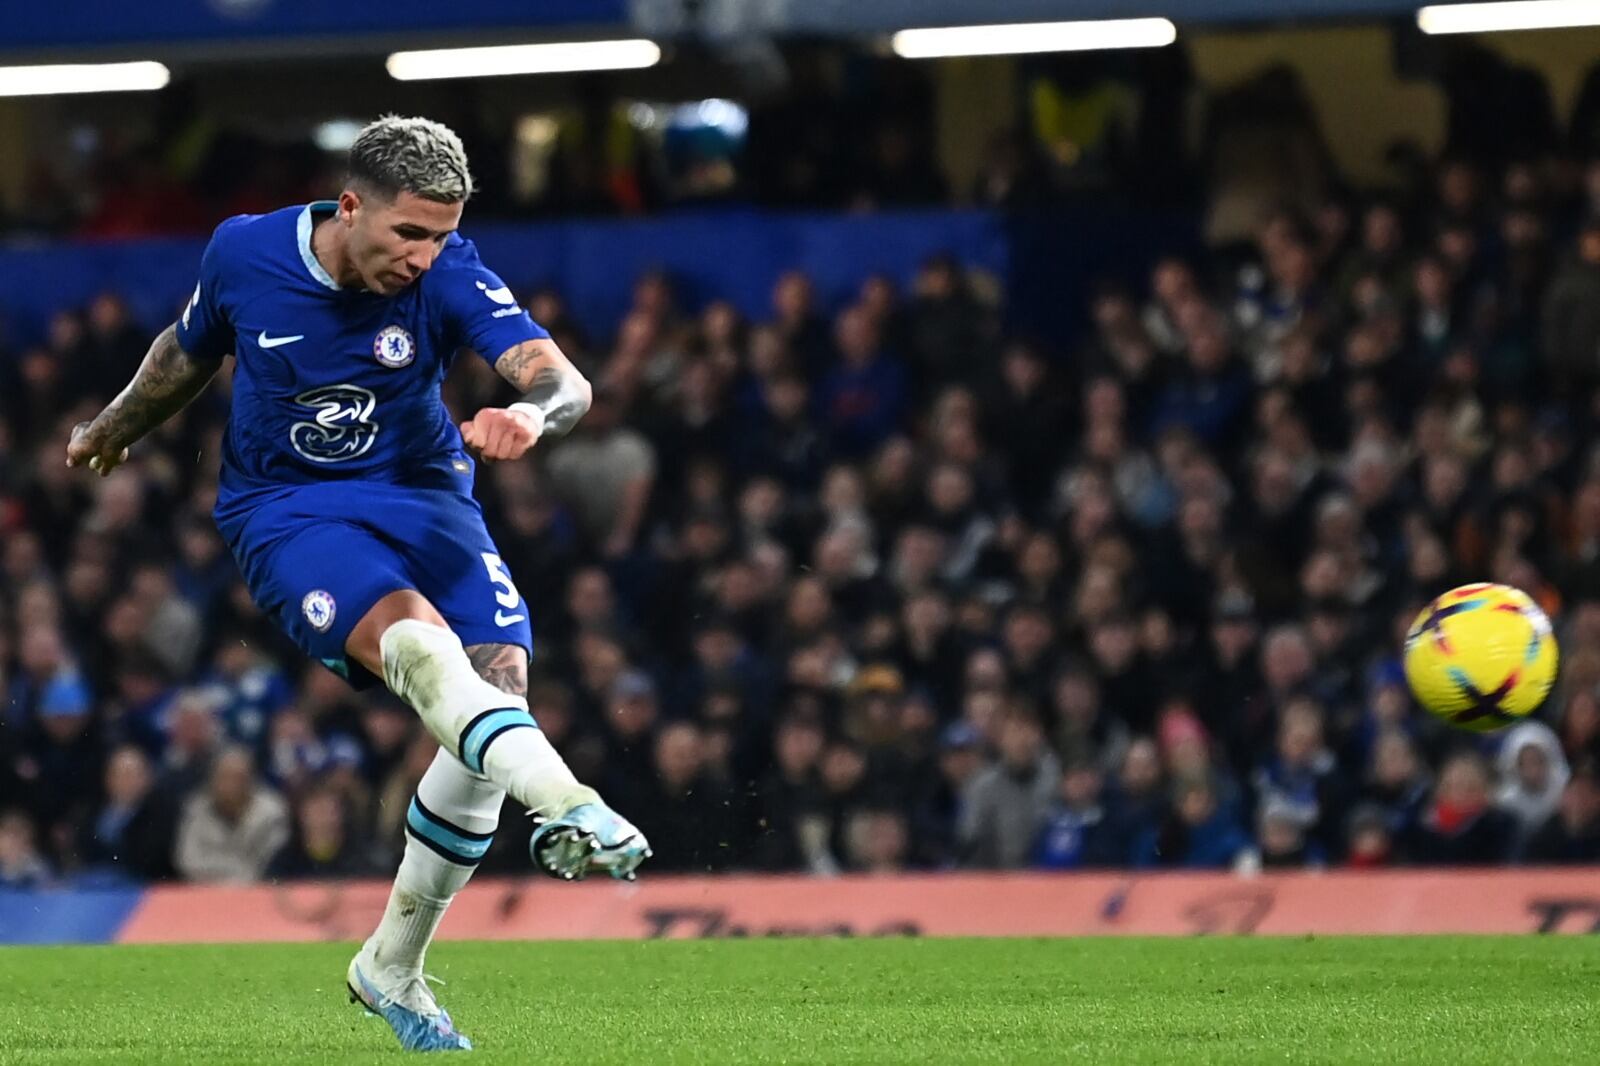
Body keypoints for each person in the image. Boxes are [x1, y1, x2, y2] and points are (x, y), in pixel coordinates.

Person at [64, 116, 649, 1052]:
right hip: (290, 509)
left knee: (494, 699)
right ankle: (570, 803)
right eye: (408, 233)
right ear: (349, 207)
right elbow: (188, 348)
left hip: (426, 495)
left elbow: (563, 380)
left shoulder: (448, 272)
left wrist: (533, 416)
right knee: (418, 646)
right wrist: (113, 427)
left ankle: (391, 968)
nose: (423, 257)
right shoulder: (246, 253)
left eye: (441, 236)